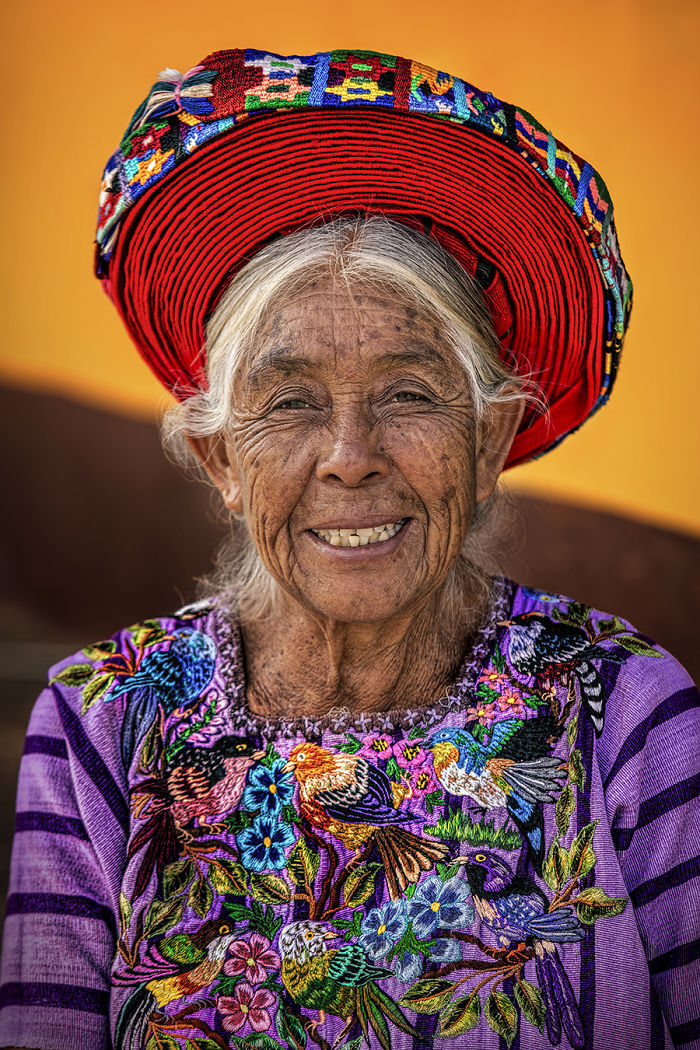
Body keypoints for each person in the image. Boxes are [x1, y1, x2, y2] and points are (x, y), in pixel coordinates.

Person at [0, 47, 697, 1050]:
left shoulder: (627, 713)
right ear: (219, 458)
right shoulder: (102, 725)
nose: (349, 459)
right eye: (289, 405)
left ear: (490, 441)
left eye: (410, 394)